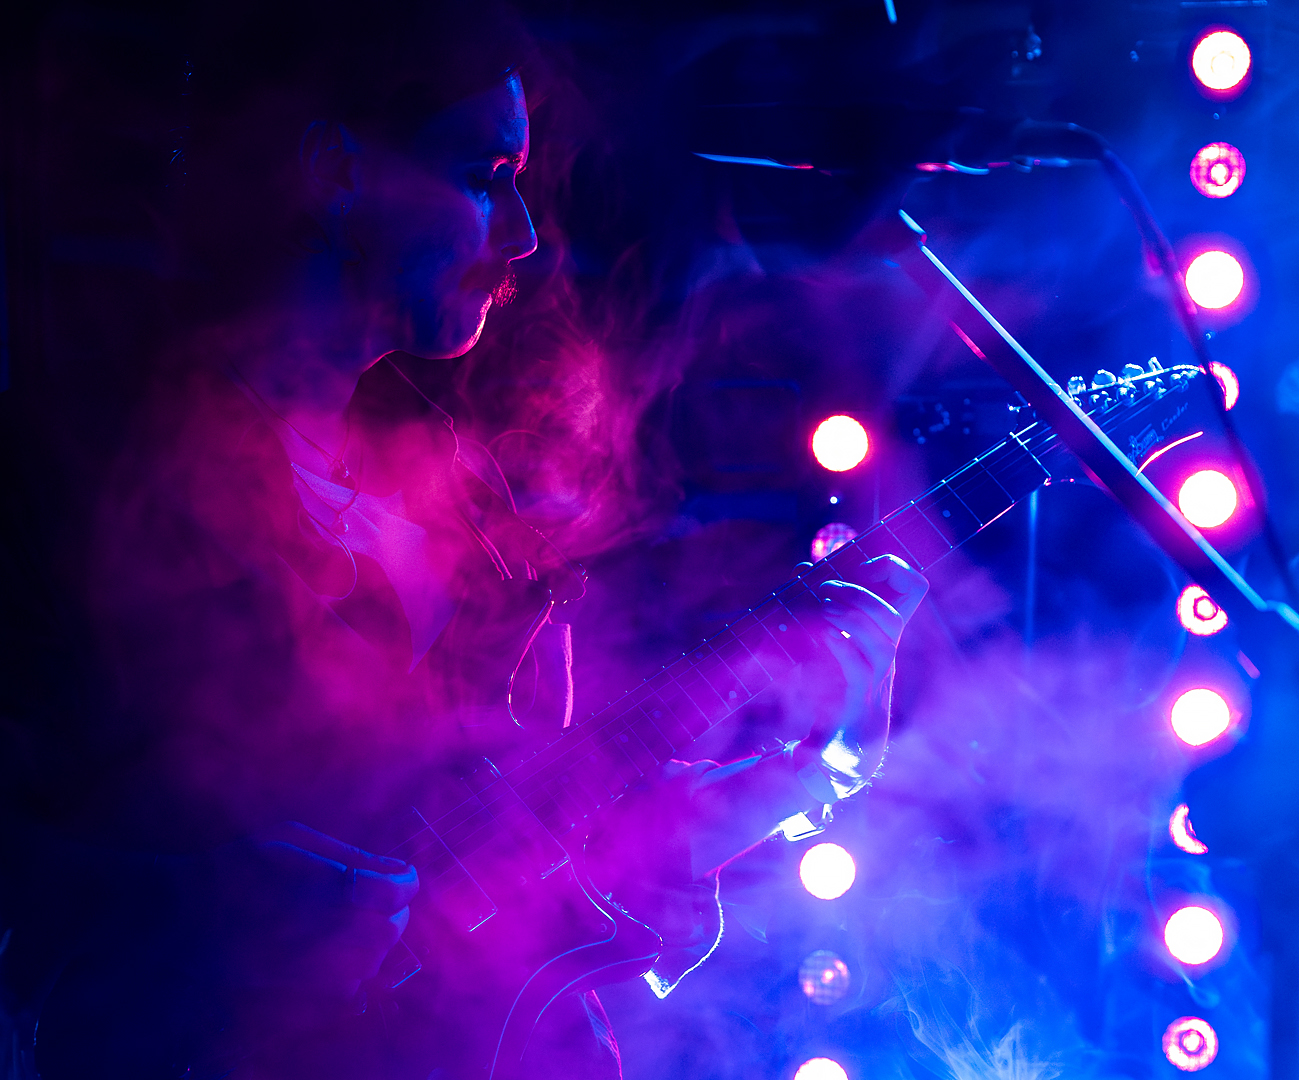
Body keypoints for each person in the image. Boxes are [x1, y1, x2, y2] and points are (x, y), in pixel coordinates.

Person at [0, 2, 926, 1077]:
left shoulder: (459, 487)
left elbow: (518, 866)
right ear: (335, 169)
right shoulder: (86, 466)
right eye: (485, 176)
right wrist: (208, 895)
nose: (522, 237)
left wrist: (787, 775)